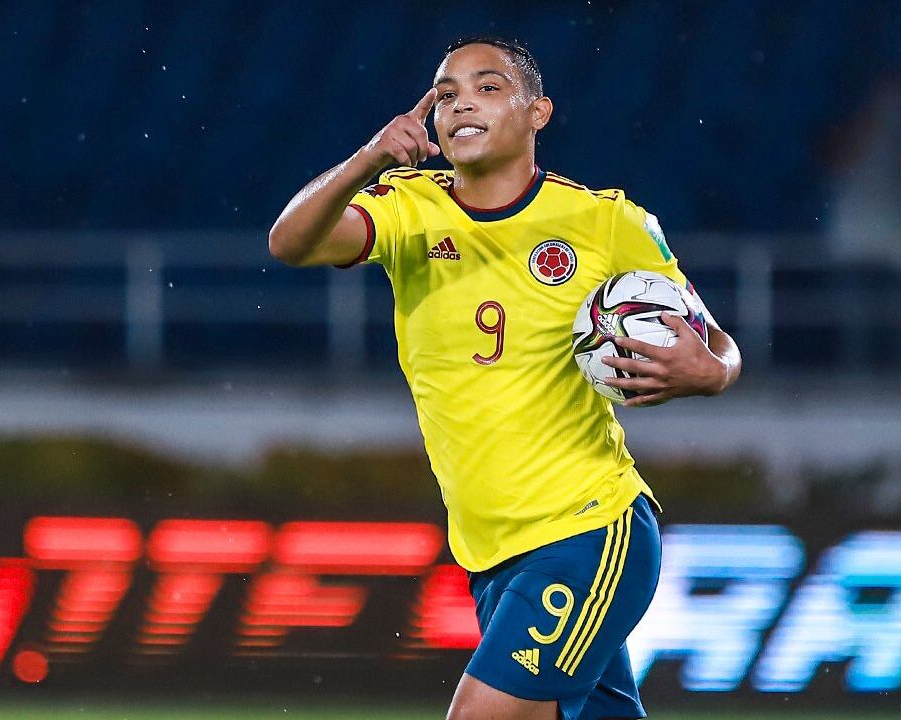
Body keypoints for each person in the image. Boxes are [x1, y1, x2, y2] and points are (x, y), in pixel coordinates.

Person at [269, 35, 741, 720]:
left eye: (488, 87)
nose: (462, 103)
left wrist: (712, 372)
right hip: (491, 556)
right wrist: (368, 160)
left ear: (537, 112)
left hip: (587, 531)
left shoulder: (605, 221)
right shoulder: (408, 208)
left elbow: (715, 341)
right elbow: (291, 242)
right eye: (446, 93)